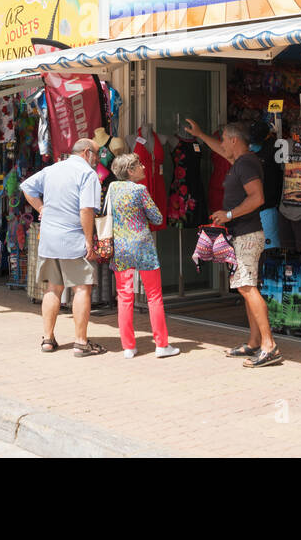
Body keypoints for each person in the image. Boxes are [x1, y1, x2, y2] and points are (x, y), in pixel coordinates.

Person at [185, 119, 282, 368]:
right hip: (242, 234)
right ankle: (253, 342)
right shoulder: (241, 161)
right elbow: (219, 149)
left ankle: (269, 345)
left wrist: (228, 215)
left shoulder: (247, 163)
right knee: (245, 287)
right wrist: (200, 134)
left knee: (247, 287)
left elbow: (257, 197)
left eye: (225, 140)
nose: (223, 145)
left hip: (247, 235)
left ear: (235, 140)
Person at [21, 138, 107, 357]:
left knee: (53, 288)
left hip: (49, 238)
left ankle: (48, 340)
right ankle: (80, 342)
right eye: (96, 154)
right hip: (73, 238)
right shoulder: (88, 175)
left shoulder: (53, 169)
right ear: (87, 153)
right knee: (82, 287)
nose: (97, 159)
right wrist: (89, 241)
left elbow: (27, 187)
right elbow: (86, 210)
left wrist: (42, 209)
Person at [108, 152, 178, 359]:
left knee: (124, 297)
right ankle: (161, 345)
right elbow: (156, 217)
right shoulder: (140, 190)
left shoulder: (113, 188)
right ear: (130, 170)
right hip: (143, 246)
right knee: (154, 296)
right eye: (139, 165)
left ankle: (128, 347)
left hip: (121, 247)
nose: (144, 168)